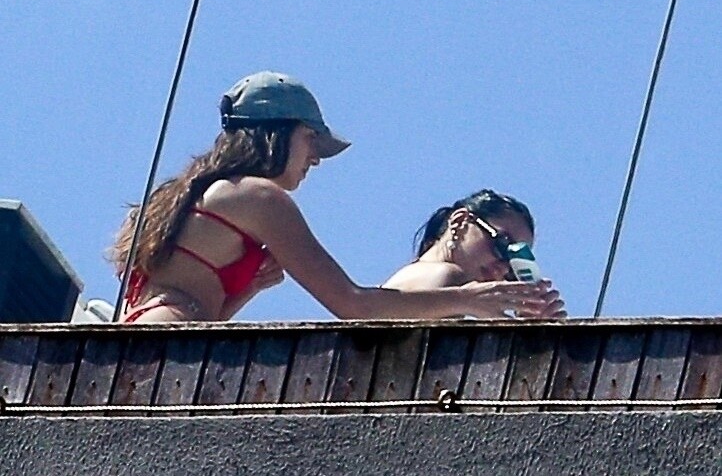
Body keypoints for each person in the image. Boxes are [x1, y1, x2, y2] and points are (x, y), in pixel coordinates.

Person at [110, 72, 556, 323]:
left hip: (150, 335)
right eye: (311, 140)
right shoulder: (259, 197)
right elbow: (352, 304)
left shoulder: (189, 195)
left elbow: (194, 306)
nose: (315, 159)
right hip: (171, 344)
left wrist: (250, 289)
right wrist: (470, 300)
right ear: (278, 133)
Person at [382, 188, 566, 319]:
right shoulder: (445, 274)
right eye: (503, 244)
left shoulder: (418, 277)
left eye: (514, 264)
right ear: (460, 222)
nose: (503, 268)